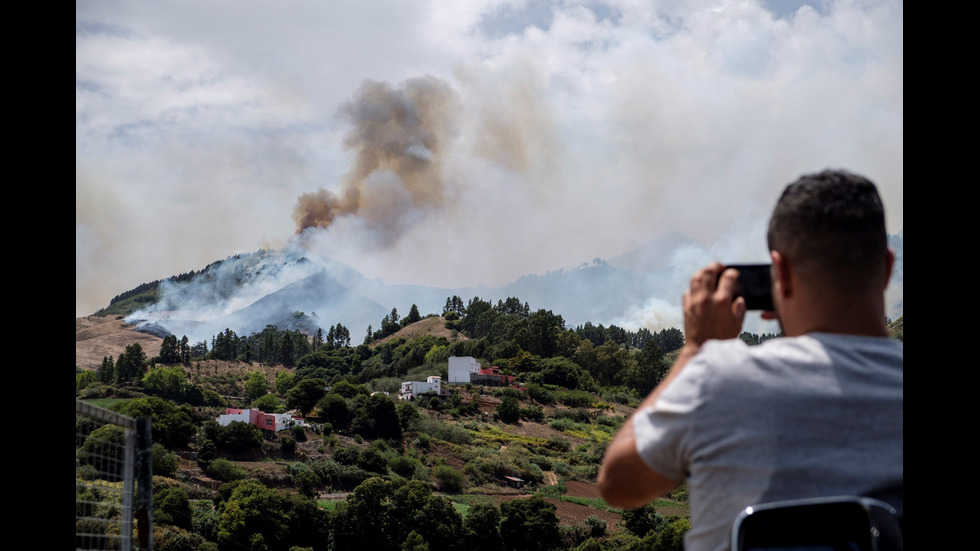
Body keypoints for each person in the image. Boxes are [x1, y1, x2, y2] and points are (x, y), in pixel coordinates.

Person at [597, 169, 902, 551]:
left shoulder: (720, 379)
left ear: (782, 273)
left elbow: (617, 483)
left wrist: (696, 350)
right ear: (888, 268)